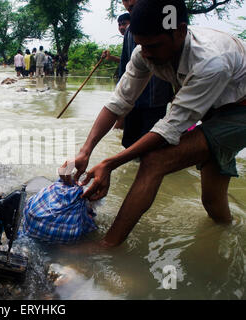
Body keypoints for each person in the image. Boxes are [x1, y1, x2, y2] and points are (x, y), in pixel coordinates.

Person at [60, 0, 246, 250]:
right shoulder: (144, 52)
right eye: (141, 45)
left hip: (240, 112)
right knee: (212, 202)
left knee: (155, 160)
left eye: (154, 45)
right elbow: (119, 102)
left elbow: (170, 127)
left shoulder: (210, 61)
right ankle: (231, 236)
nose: (146, 53)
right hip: (214, 110)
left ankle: (107, 246)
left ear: (180, 31)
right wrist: (86, 151)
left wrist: (110, 163)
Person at [115, 0, 174, 149]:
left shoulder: (166, 23)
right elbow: (125, 65)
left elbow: (175, 63)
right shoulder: (129, 32)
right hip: (133, 99)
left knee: (150, 144)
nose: (129, 2)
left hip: (156, 98)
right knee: (128, 142)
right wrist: (120, 109)